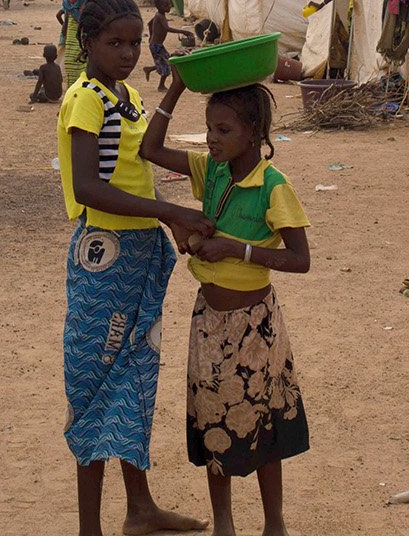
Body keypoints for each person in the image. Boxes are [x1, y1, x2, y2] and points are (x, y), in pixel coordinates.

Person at [57, 0, 213, 536]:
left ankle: (140, 508)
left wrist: (174, 88)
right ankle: (89, 528)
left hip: (138, 252)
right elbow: (87, 186)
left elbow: (144, 154)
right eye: (114, 43)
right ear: (89, 43)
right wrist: (168, 210)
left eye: (134, 43)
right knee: (95, 382)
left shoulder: (123, 95)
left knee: (133, 378)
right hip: (105, 257)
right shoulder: (86, 99)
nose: (127, 53)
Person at [139, 80, 310, 536]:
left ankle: (274, 523)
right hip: (209, 322)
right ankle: (225, 525)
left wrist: (238, 250)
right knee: (213, 420)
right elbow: (150, 148)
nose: (211, 138)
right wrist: (175, 88)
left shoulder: (274, 186)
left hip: (257, 326)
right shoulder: (210, 170)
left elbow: (300, 260)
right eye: (208, 128)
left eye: (223, 129)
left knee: (267, 425)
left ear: (253, 133)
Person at [146, 0, 194, 91]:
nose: (169, 6)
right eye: (166, 5)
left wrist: (151, 35)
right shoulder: (160, 16)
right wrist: (183, 31)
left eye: (169, 4)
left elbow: (150, 23)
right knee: (166, 67)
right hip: (156, 46)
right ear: (159, 6)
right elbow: (167, 28)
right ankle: (161, 86)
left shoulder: (159, 15)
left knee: (167, 61)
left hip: (157, 45)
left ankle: (149, 69)